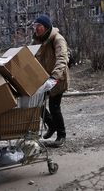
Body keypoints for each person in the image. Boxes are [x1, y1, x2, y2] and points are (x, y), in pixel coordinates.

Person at [32, 15, 69, 147]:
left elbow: (62, 59)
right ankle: (51, 125)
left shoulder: (58, 39)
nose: (35, 29)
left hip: (57, 79)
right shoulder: (37, 40)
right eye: (34, 26)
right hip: (43, 78)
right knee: (36, 104)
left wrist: (54, 77)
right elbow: (30, 56)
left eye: (38, 26)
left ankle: (61, 135)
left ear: (46, 27)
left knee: (54, 107)